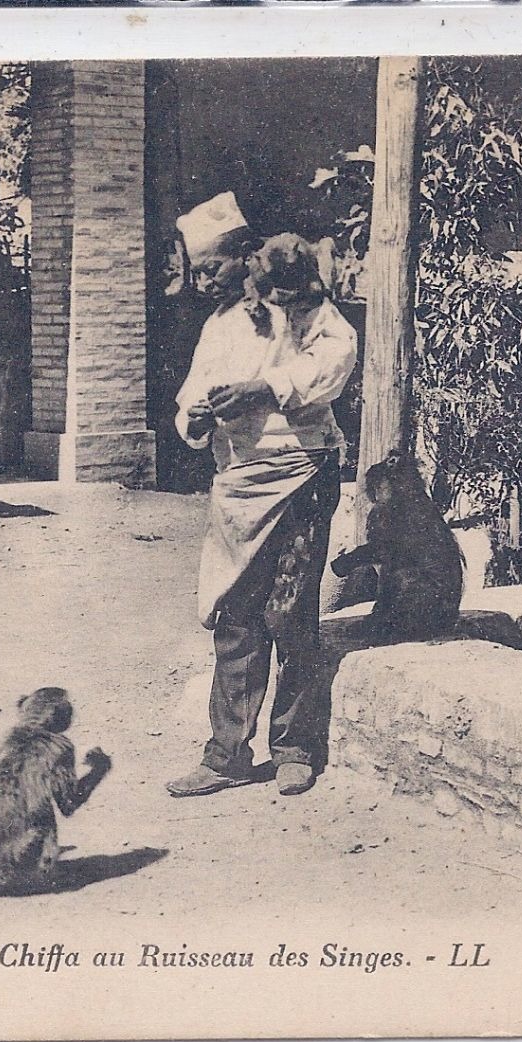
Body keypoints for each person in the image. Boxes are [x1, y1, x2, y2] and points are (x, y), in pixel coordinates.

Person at [165, 194, 358, 799]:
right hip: (238, 484)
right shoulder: (218, 326)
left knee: (290, 610)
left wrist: (265, 390)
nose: (203, 281)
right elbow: (191, 395)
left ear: (244, 257)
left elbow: (337, 356)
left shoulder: (299, 307)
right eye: (196, 272)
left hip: (300, 473)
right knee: (236, 616)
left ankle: (295, 748)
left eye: (211, 269)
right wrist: (194, 419)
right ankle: (225, 754)